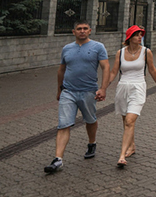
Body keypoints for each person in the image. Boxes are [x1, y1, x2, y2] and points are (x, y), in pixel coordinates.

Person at [44, 21, 109, 174]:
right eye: (79, 29)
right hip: (68, 91)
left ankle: (92, 143)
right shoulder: (67, 49)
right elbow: (61, 70)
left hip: (88, 91)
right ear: (73, 32)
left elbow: (105, 67)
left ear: (90, 31)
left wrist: (103, 88)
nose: (82, 31)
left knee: (90, 120)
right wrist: (60, 89)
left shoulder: (98, 47)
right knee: (63, 124)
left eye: (85, 28)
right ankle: (58, 159)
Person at [109, 26, 156, 168]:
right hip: (122, 88)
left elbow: (151, 69)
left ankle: (122, 155)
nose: (140, 37)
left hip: (138, 87)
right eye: (137, 35)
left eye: (141, 35)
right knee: (126, 121)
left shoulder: (146, 52)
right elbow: (114, 71)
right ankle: (132, 146)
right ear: (129, 37)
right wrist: (103, 87)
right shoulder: (120, 53)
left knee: (130, 120)